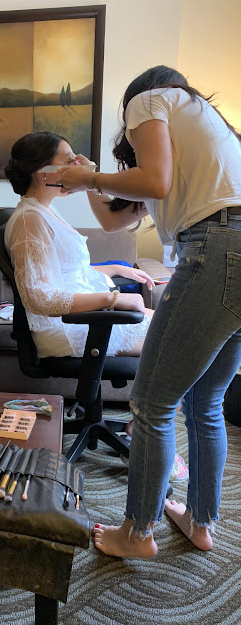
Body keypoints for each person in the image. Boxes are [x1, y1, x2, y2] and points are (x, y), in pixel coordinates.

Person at [57, 65, 241, 557]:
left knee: (151, 403)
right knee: (206, 403)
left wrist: (89, 175)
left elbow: (154, 181)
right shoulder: (204, 151)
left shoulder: (153, 98)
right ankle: (200, 522)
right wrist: (91, 181)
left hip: (219, 251)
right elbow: (115, 219)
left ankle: (137, 533)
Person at [4, 131, 188, 483]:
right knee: (181, 342)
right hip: (69, 327)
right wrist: (112, 298)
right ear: (44, 173)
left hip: (84, 318)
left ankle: (142, 423)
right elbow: (40, 298)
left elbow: (67, 274)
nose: (78, 165)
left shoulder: (43, 212)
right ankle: (144, 429)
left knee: (180, 330)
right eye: (69, 159)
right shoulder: (29, 221)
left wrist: (115, 269)